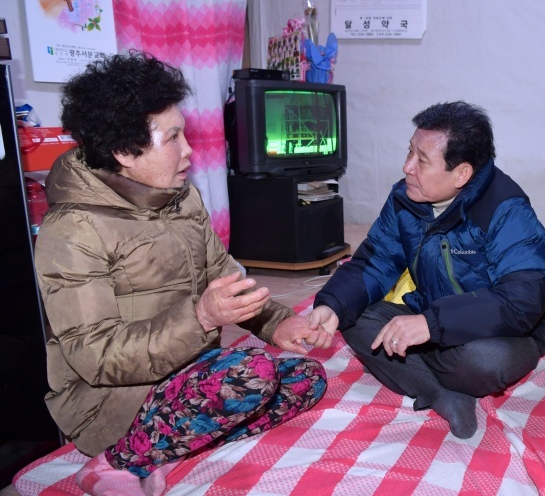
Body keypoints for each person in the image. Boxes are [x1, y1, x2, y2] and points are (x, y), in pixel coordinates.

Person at [34, 50, 329, 496]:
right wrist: (201, 317)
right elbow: (95, 358)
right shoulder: (73, 230)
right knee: (251, 374)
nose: (188, 150)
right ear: (124, 152)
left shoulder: (181, 197)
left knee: (307, 378)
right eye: (173, 138)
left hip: (188, 371)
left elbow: (223, 277)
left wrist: (277, 322)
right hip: (110, 398)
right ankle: (116, 461)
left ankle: (168, 446)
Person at [309, 101, 545, 439]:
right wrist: (333, 305)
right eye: (409, 151)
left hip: (500, 334)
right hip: (431, 314)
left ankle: (419, 369)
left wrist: (432, 325)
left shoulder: (506, 209)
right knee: (354, 317)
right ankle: (442, 394)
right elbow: (375, 260)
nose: (407, 166)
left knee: (486, 362)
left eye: (422, 160)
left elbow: (522, 300)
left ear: (462, 174)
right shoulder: (405, 199)